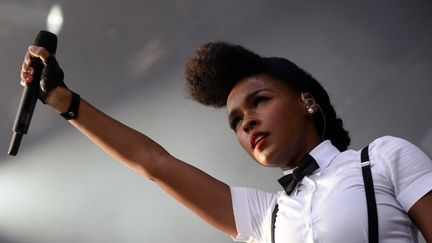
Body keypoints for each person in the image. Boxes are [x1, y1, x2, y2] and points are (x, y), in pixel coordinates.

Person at [20, 41, 432, 243]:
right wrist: (63, 101)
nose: (247, 121)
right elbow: (155, 162)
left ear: (307, 101)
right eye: (235, 122)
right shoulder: (264, 218)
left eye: (260, 101)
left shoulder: (381, 159)